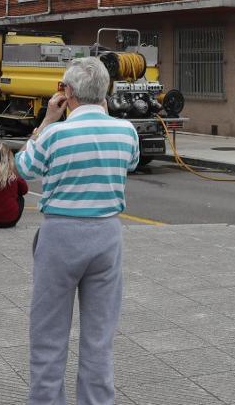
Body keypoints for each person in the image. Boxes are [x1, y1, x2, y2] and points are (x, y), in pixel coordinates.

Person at [16, 57, 139, 405]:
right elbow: (130, 162)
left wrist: (47, 120)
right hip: (106, 235)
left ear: (66, 92)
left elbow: (24, 169)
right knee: (99, 336)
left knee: (48, 333)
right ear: (105, 93)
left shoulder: (56, 134)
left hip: (61, 234)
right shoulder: (125, 131)